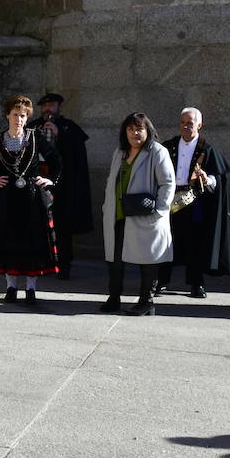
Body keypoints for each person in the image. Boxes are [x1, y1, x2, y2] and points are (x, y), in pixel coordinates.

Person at [0, 95, 59, 308]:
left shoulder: (35, 137)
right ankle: (11, 287)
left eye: (23, 116)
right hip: (6, 199)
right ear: (7, 115)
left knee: (32, 242)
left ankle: (31, 289)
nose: (19, 119)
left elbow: (56, 160)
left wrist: (50, 180)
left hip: (31, 198)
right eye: (15, 115)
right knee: (7, 241)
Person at [101, 112, 175, 316]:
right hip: (118, 214)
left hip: (145, 215)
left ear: (148, 130)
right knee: (115, 260)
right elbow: (111, 181)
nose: (135, 133)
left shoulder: (157, 152)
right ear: (125, 132)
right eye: (130, 129)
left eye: (139, 128)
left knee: (148, 261)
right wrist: (107, 207)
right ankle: (114, 297)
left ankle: (146, 301)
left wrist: (159, 211)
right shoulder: (120, 152)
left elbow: (168, 183)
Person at [159, 107, 230, 298]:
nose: (185, 126)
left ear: (200, 125)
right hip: (170, 200)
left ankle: (196, 283)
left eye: (190, 123)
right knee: (166, 240)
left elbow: (218, 179)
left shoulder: (208, 150)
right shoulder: (169, 146)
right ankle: (161, 280)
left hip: (195, 202)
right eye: (182, 122)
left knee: (195, 242)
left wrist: (207, 179)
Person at [30, 93, 93, 279]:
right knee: (38, 224)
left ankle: (63, 265)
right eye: (45, 106)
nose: (48, 109)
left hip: (62, 185)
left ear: (59, 107)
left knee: (62, 227)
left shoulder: (69, 127)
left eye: (52, 105)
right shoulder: (33, 127)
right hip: (39, 181)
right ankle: (42, 262)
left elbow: (76, 155)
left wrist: (60, 135)